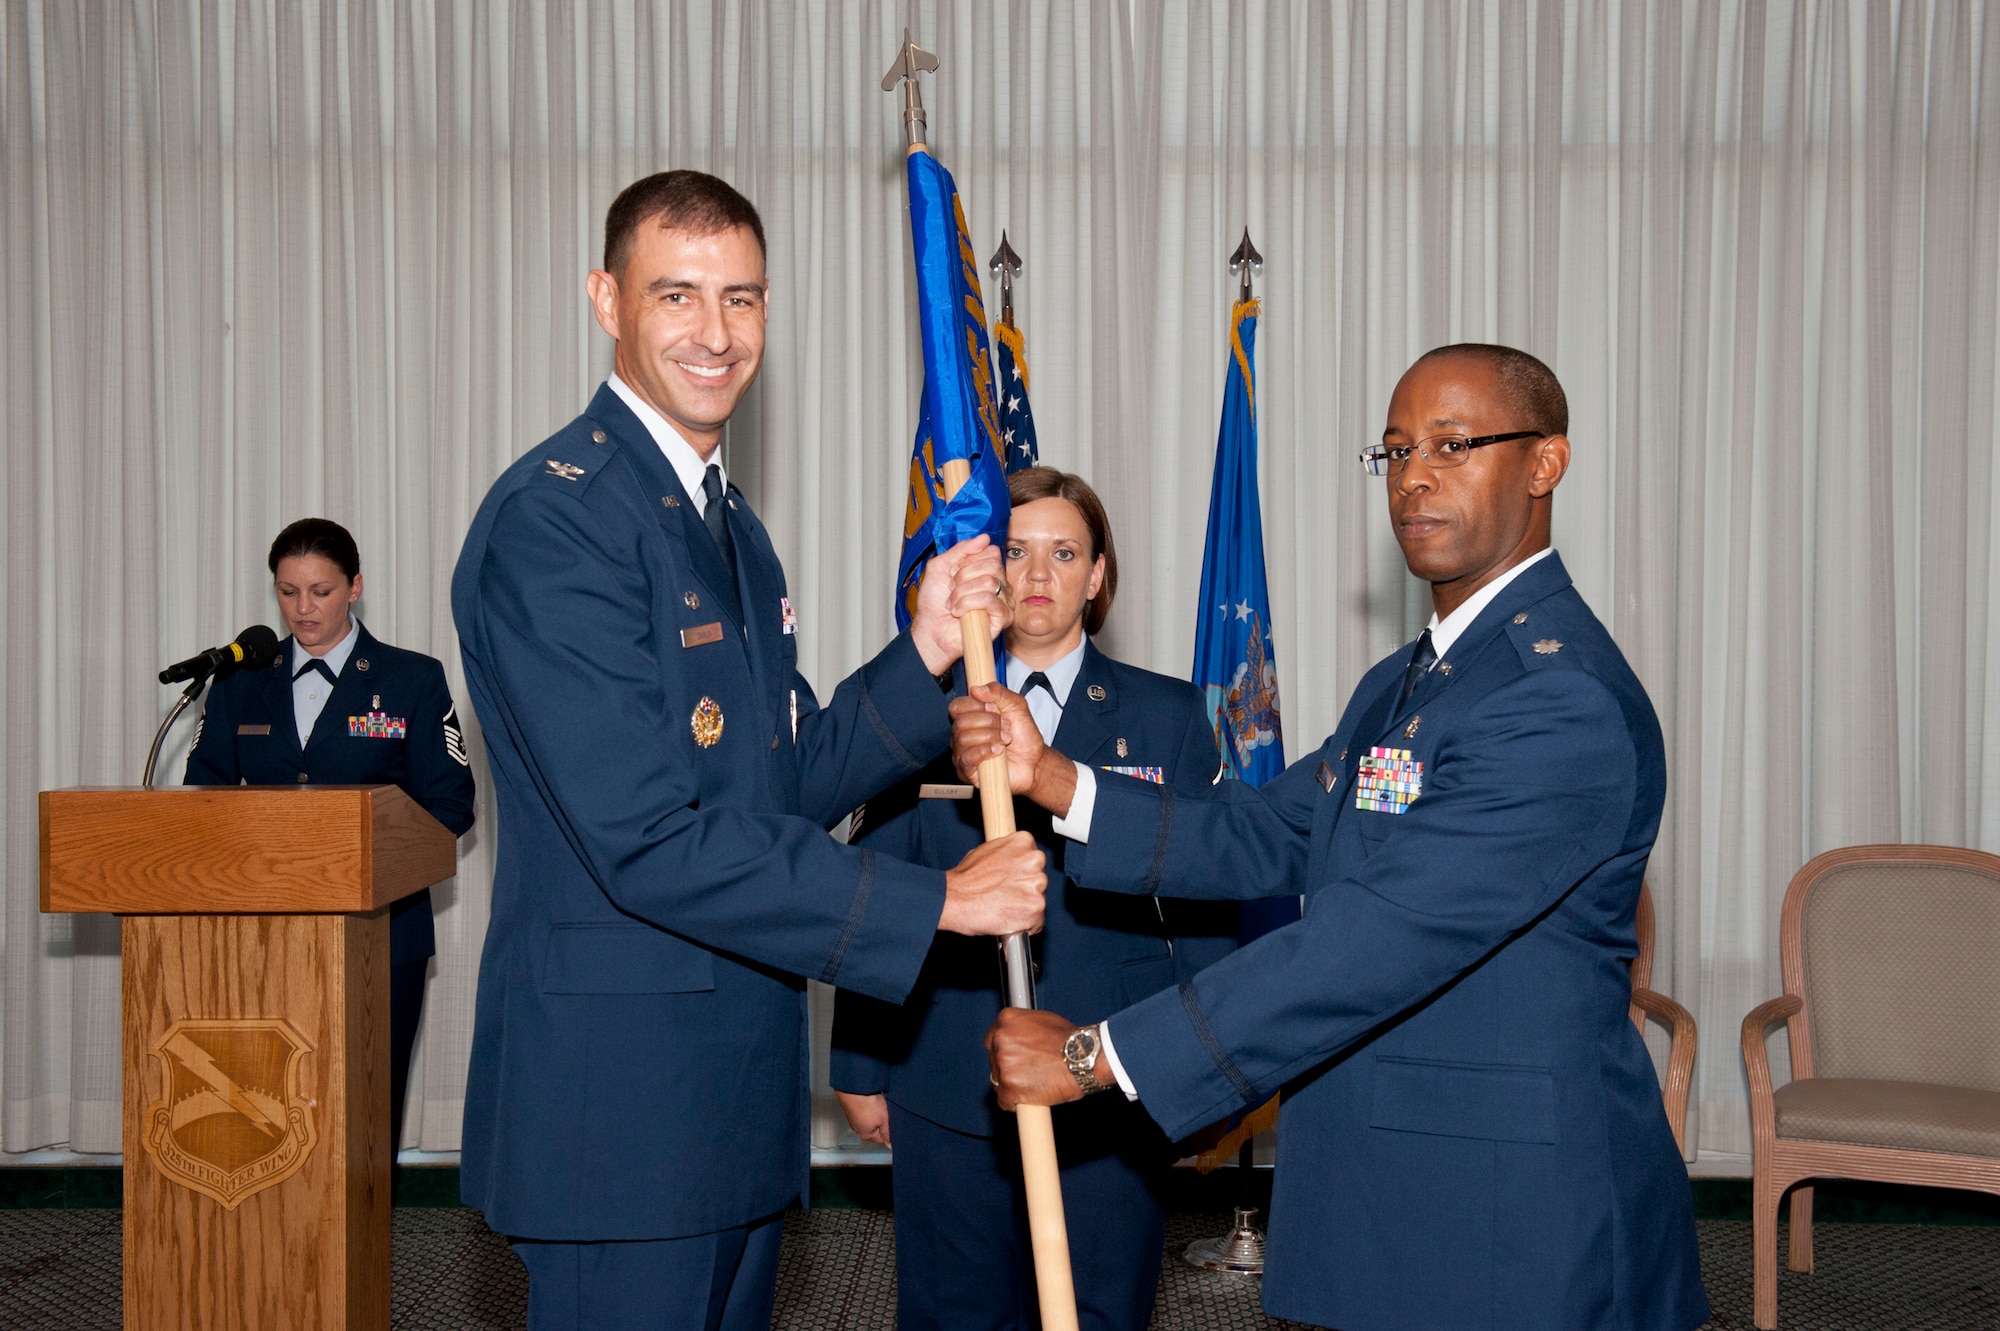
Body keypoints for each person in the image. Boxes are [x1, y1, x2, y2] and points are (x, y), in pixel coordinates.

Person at [968, 345, 1711, 1331]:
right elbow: (1269, 826)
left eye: (1452, 445)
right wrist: (1056, 778)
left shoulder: (1556, 698)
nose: (1414, 477)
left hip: (1509, 1220)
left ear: (1544, 463)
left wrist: (1091, 1055)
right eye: (1396, 450)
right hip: (1392, 1181)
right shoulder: (1410, 682)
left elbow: (1372, 940)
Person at [450, 169, 1047, 1330]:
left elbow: (780, 783)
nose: (714, 334)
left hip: (725, 1094)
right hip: (621, 1113)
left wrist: (924, 647)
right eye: (675, 294)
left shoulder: (728, 525)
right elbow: (648, 838)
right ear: (606, 299)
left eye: (742, 298)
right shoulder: (558, 521)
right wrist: (935, 901)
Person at [830, 467, 1232, 1331]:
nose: (1039, 574)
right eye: (1015, 552)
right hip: (947, 1071)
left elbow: (1207, 902)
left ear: (1098, 575)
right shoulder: (922, 712)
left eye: (1065, 553)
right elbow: (876, 892)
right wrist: (859, 1066)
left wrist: (1203, 1067)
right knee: (954, 1314)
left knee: (1096, 1310)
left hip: (1108, 1078)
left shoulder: (1166, 716)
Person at [185, 517, 475, 1150]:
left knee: (366, 1105)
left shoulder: (411, 680)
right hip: (262, 930)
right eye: (288, 592)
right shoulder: (240, 683)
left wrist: (360, 856)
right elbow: (203, 797)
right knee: (270, 1106)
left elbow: (451, 805)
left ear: (355, 587)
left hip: (383, 930)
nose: (303, 609)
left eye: (320, 591)